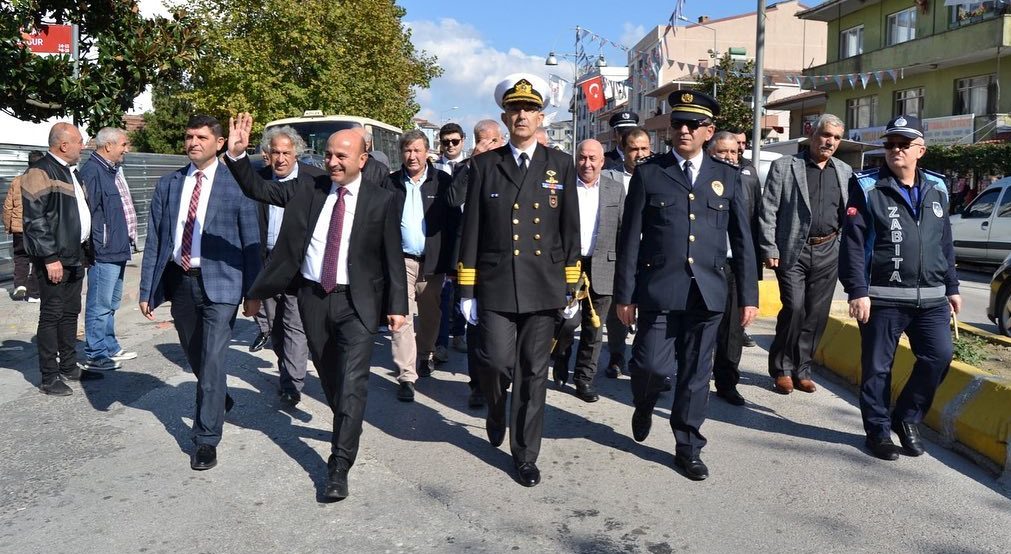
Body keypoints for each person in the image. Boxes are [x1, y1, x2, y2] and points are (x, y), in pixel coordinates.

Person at [225, 113, 407, 501]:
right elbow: (263, 191)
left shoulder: (382, 199)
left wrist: (397, 306)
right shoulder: (310, 189)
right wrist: (238, 157)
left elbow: (393, 256)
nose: (333, 162)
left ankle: (338, 465)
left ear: (363, 159)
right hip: (313, 298)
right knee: (330, 378)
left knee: (354, 381)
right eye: (328, 155)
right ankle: (347, 421)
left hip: (358, 303)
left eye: (342, 155)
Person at [614, 90, 758, 481]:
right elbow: (630, 238)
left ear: (708, 131)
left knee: (696, 374)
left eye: (693, 125)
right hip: (659, 289)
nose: (683, 130)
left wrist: (748, 295)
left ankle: (688, 445)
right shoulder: (650, 172)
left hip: (708, 291)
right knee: (649, 366)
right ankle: (643, 401)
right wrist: (624, 294)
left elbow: (743, 242)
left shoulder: (727, 177)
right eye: (678, 123)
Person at [457, 74, 579, 487]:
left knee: (533, 370)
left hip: (543, 285)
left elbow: (570, 230)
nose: (522, 115)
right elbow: (470, 229)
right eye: (514, 108)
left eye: (529, 109)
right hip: (494, 285)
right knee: (493, 362)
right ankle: (495, 408)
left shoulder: (560, 164)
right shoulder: (484, 165)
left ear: (541, 115)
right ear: (505, 116)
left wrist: (571, 286)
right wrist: (467, 289)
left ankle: (525, 454)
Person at [138, 115, 262, 471]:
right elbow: (157, 242)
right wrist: (147, 288)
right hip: (181, 281)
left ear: (219, 143)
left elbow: (251, 242)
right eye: (189, 136)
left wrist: (253, 292)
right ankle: (217, 395)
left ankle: (206, 438)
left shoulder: (237, 184)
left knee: (212, 359)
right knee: (196, 354)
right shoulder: (169, 184)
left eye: (201, 137)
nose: (193, 142)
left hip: (222, 283)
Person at [839, 115, 961, 461]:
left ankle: (906, 418)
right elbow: (853, 242)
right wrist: (857, 289)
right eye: (890, 144)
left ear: (920, 150)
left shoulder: (938, 187)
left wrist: (952, 285)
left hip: (933, 298)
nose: (895, 150)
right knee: (878, 367)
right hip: (882, 298)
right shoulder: (866, 187)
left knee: (939, 357)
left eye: (903, 145)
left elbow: (944, 241)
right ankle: (877, 430)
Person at [759, 114, 853, 395]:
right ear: (812, 133)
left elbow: (849, 213)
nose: (830, 142)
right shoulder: (785, 167)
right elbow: (769, 209)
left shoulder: (845, 171)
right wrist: (769, 246)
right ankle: (782, 369)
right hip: (792, 250)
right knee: (795, 308)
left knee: (816, 314)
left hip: (829, 250)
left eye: (836, 138)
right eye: (826, 135)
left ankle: (803, 369)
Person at [21, 123, 104, 395]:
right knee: (51, 315)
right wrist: (49, 257)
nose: (84, 145)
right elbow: (34, 220)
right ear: (64, 145)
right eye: (80, 141)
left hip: (75, 254)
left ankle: (69, 366)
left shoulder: (72, 172)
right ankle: (49, 376)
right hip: (54, 259)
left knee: (70, 313)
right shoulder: (39, 172)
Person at [251, 125, 323, 407]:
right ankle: (286, 369)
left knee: (294, 324)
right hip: (266, 262)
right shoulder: (257, 181)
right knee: (275, 328)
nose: (281, 158)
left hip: (296, 265)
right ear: (267, 155)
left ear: (297, 155)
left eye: (286, 153)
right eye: (275, 152)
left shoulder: (314, 181)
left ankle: (292, 383)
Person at [385, 130, 458, 401]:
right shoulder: (390, 183)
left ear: (427, 151)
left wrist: (452, 264)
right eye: (407, 150)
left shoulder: (443, 181)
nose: (412, 156)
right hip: (401, 260)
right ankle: (406, 375)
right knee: (400, 316)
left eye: (417, 150)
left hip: (433, 262)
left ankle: (426, 353)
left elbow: (453, 225)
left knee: (430, 315)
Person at [551, 139, 624, 403]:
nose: (587, 164)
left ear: (602, 161)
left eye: (593, 158)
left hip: (602, 264)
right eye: (582, 158)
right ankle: (560, 356)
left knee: (594, 327)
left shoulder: (615, 190)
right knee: (566, 321)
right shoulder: (563, 186)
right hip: (569, 264)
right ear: (575, 159)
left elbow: (622, 230)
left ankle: (584, 378)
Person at [445, 119, 505, 409]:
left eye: (492, 140)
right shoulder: (466, 168)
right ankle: (478, 384)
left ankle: (501, 378)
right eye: (481, 140)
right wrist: (472, 161)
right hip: (473, 258)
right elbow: (454, 199)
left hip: (505, 259)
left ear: (502, 139)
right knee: (475, 324)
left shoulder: (511, 165)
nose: (487, 146)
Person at [706, 131, 762, 406]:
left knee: (732, 330)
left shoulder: (746, 180)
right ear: (709, 153)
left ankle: (727, 382)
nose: (729, 158)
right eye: (722, 152)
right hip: (704, 264)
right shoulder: (701, 182)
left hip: (733, 264)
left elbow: (753, 225)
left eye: (733, 153)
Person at [79, 127, 138, 371]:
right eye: (123, 145)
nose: (127, 149)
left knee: (111, 303)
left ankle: (110, 346)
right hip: (104, 250)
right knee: (99, 304)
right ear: (108, 146)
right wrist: (96, 245)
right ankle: (95, 353)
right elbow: (88, 213)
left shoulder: (111, 170)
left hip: (118, 247)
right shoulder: (93, 171)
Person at [600, 126, 651, 378]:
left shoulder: (659, 175)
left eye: (644, 148)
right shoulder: (608, 177)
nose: (639, 154)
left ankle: (643, 359)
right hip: (619, 255)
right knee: (618, 309)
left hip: (651, 255)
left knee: (650, 312)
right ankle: (617, 355)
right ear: (624, 150)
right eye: (633, 149)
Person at [432, 122, 469, 362]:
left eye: (455, 141)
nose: (450, 146)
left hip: (467, 235)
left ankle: (459, 333)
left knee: (464, 289)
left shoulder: (473, 166)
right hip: (444, 236)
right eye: (446, 142)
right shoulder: (434, 168)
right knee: (443, 292)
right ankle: (441, 342)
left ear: (463, 140)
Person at [3, 150, 44, 302]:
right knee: (38, 258)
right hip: (35, 228)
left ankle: (20, 286)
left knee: (20, 257)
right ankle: (33, 293)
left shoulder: (16, 181)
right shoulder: (43, 182)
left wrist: (9, 226)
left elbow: (8, 207)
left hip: (18, 229)